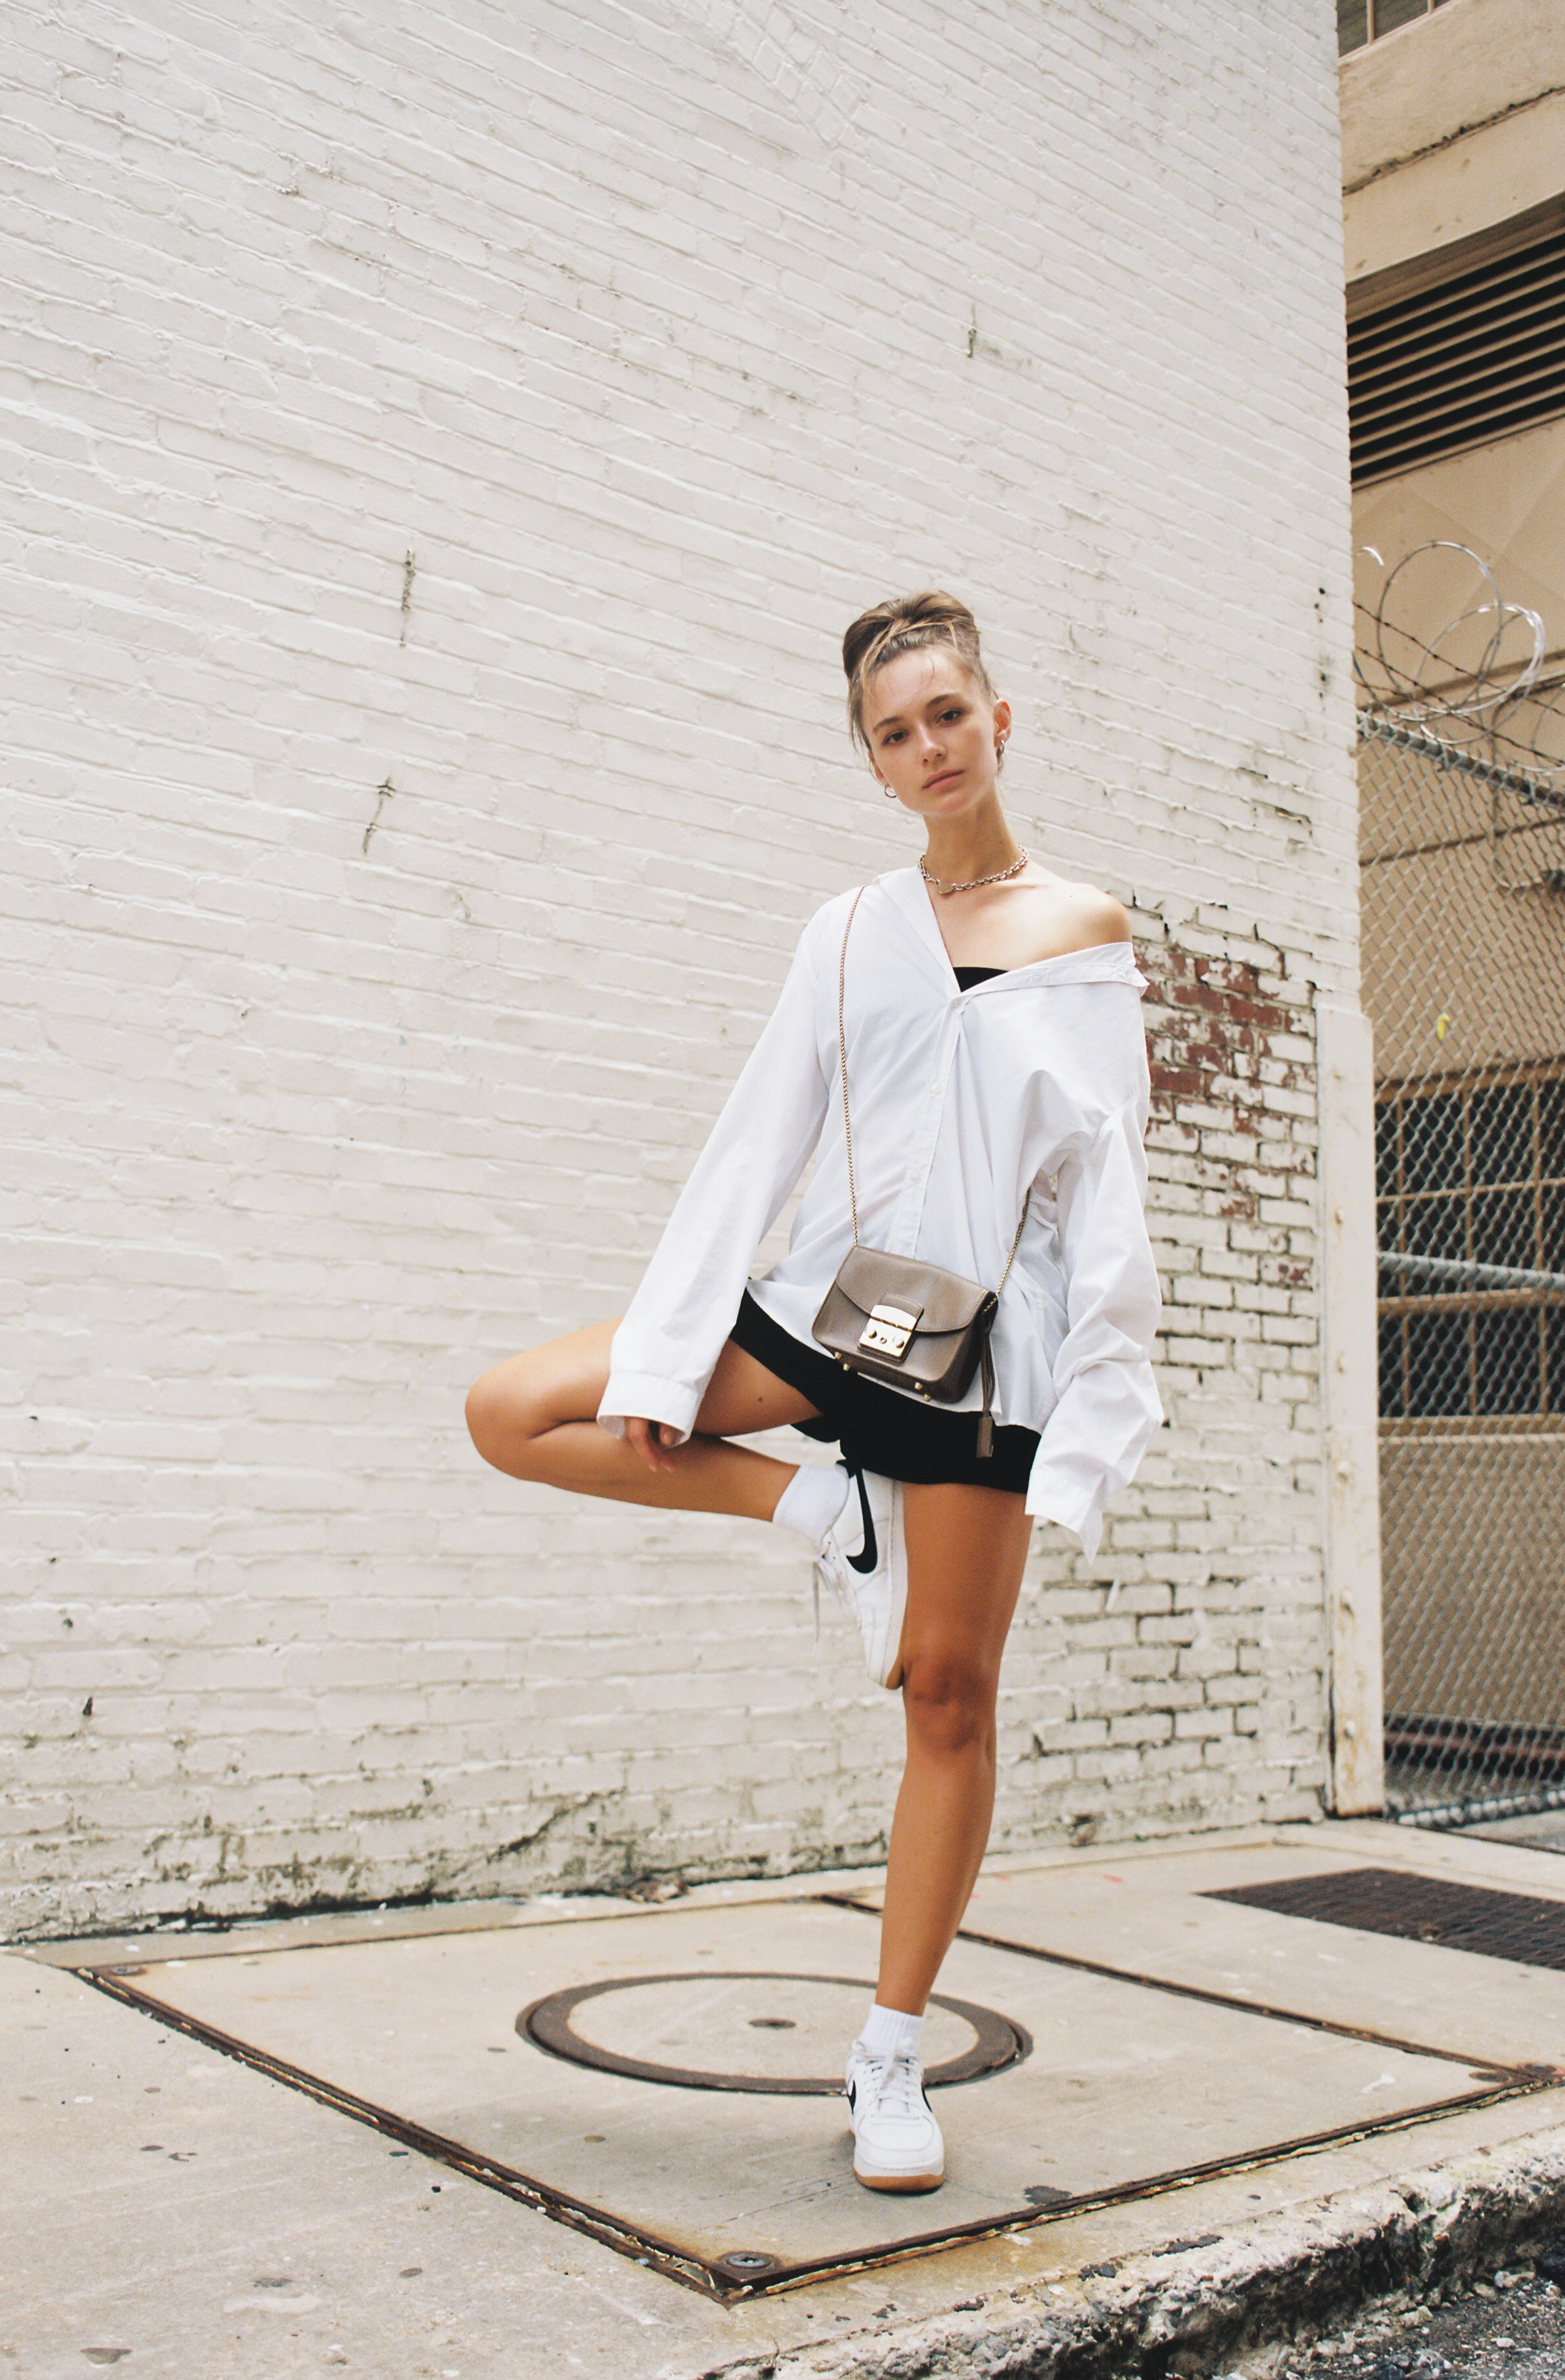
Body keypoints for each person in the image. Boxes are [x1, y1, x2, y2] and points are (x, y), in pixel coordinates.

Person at [465, 590, 1162, 2193]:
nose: (926, 746)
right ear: (871, 756)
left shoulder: (1086, 929)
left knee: (947, 1693)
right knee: (516, 1407)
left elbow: (1101, 1193)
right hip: (827, 1308)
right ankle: (824, 1504)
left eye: (946, 714)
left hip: (981, 1348)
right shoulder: (847, 932)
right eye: (892, 728)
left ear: (1002, 721)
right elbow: (755, 1136)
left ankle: (890, 2050)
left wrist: (1082, 1407)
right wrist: (671, 1351)